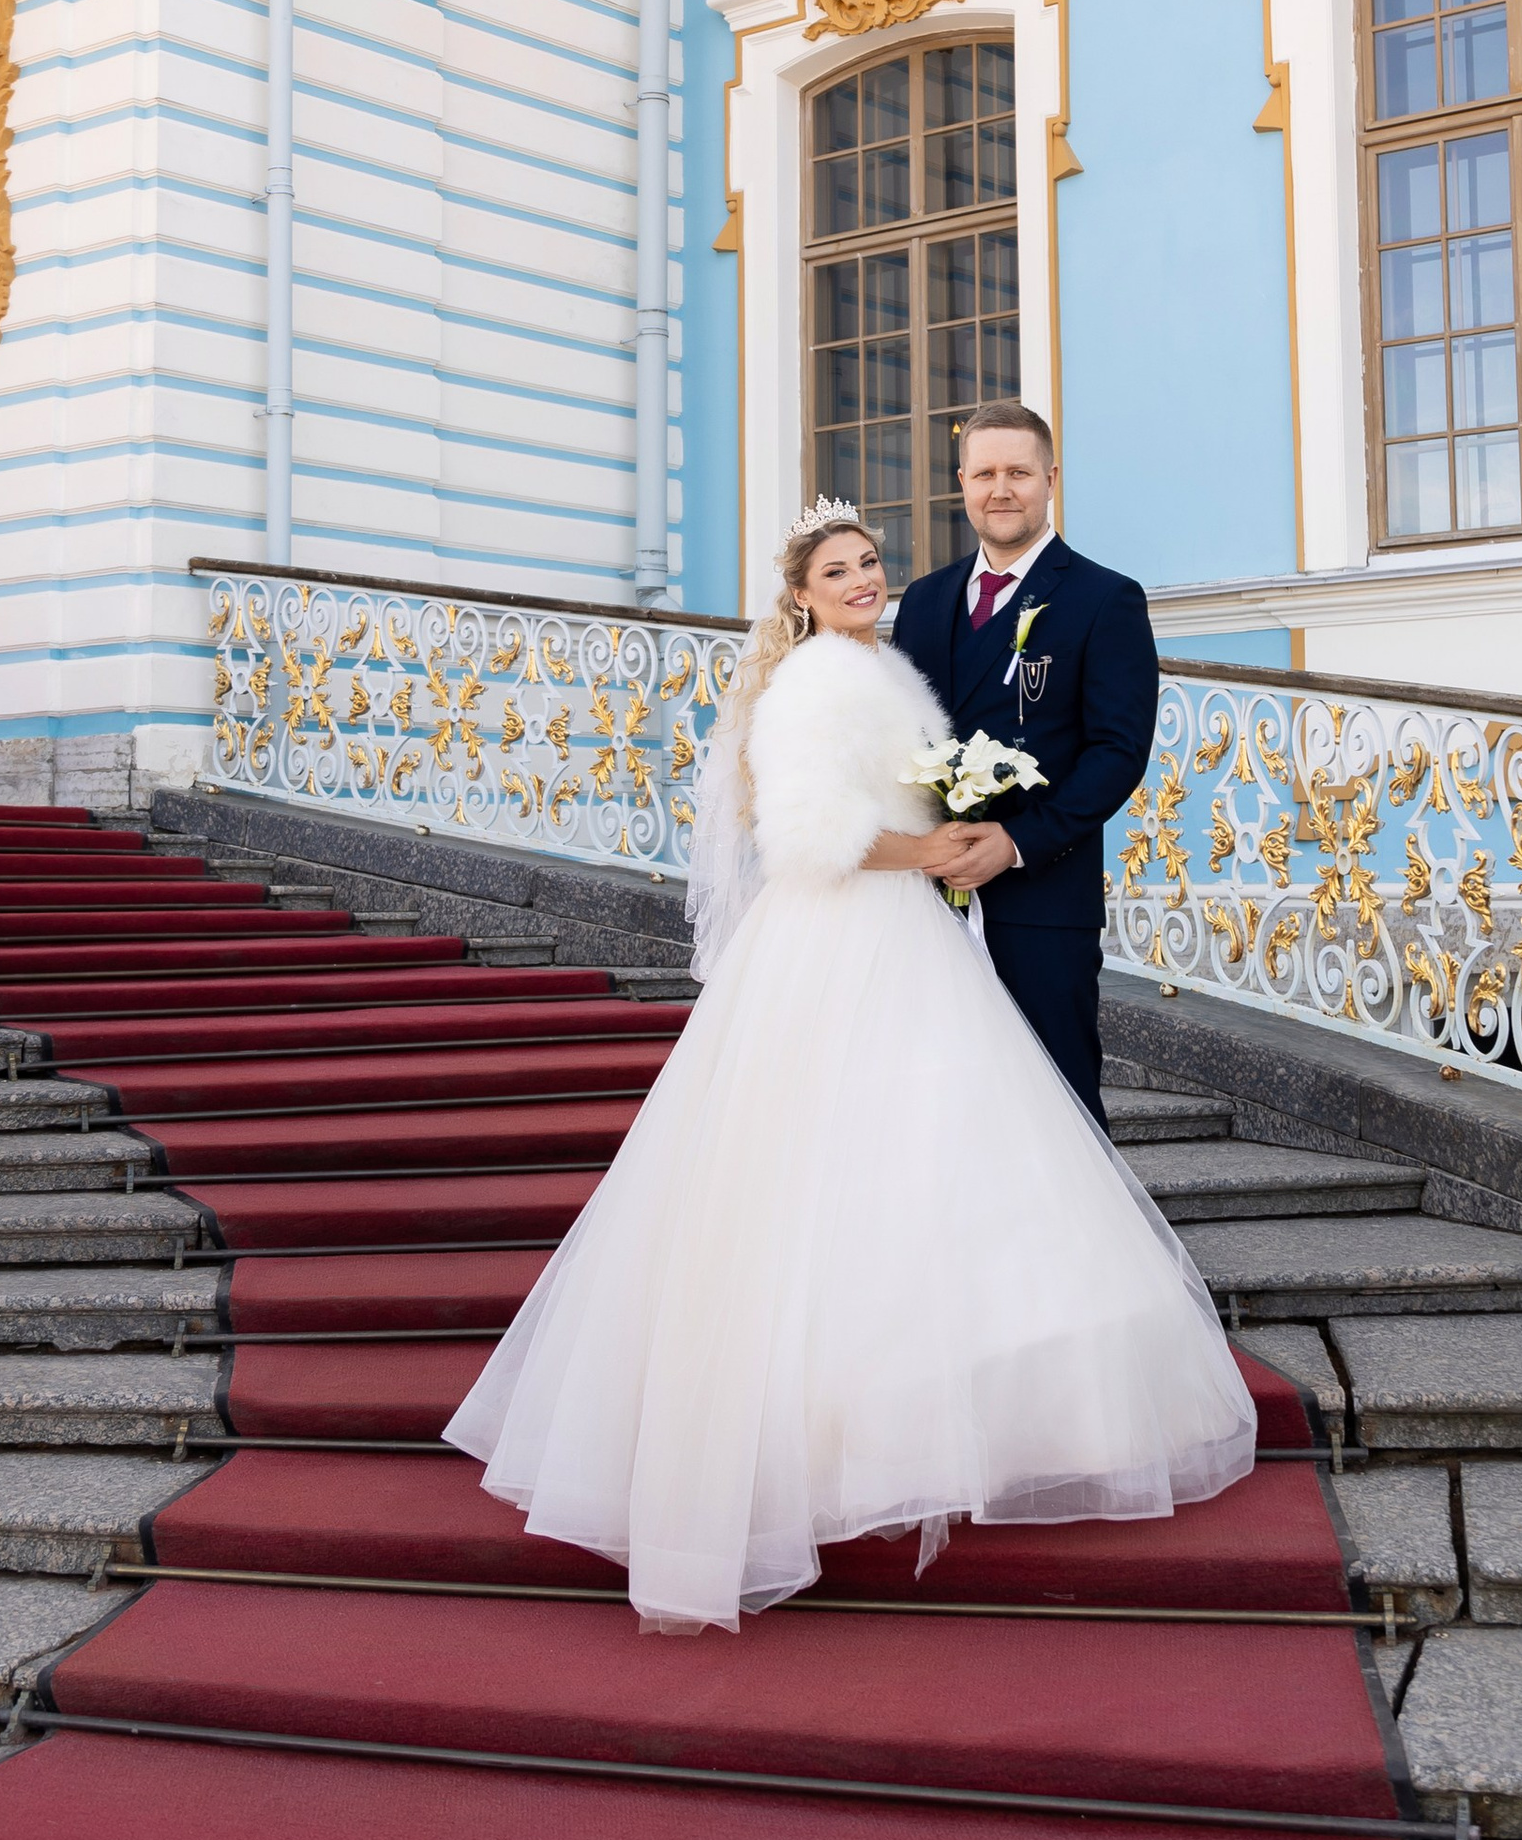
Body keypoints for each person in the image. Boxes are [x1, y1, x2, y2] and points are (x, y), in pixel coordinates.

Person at [443, 500, 1255, 1634]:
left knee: (939, 1156)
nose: (865, 578)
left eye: (871, 561)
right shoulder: (816, 683)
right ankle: (833, 1435)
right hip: (844, 937)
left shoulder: (884, 668)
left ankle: (950, 1405)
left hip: (905, 930)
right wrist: (931, 846)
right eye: (839, 569)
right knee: (845, 1169)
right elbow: (806, 837)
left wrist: (960, 820)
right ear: (802, 594)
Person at [889, 401, 1159, 1130]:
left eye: (1018, 472)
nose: (1000, 489)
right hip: (925, 899)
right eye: (984, 474)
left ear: (1051, 480)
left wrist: (1016, 843)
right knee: (936, 1104)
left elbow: (1117, 751)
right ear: (962, 483)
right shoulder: (923, 601)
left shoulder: (1105, 599)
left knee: (1057, 1106)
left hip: (1042, 900)